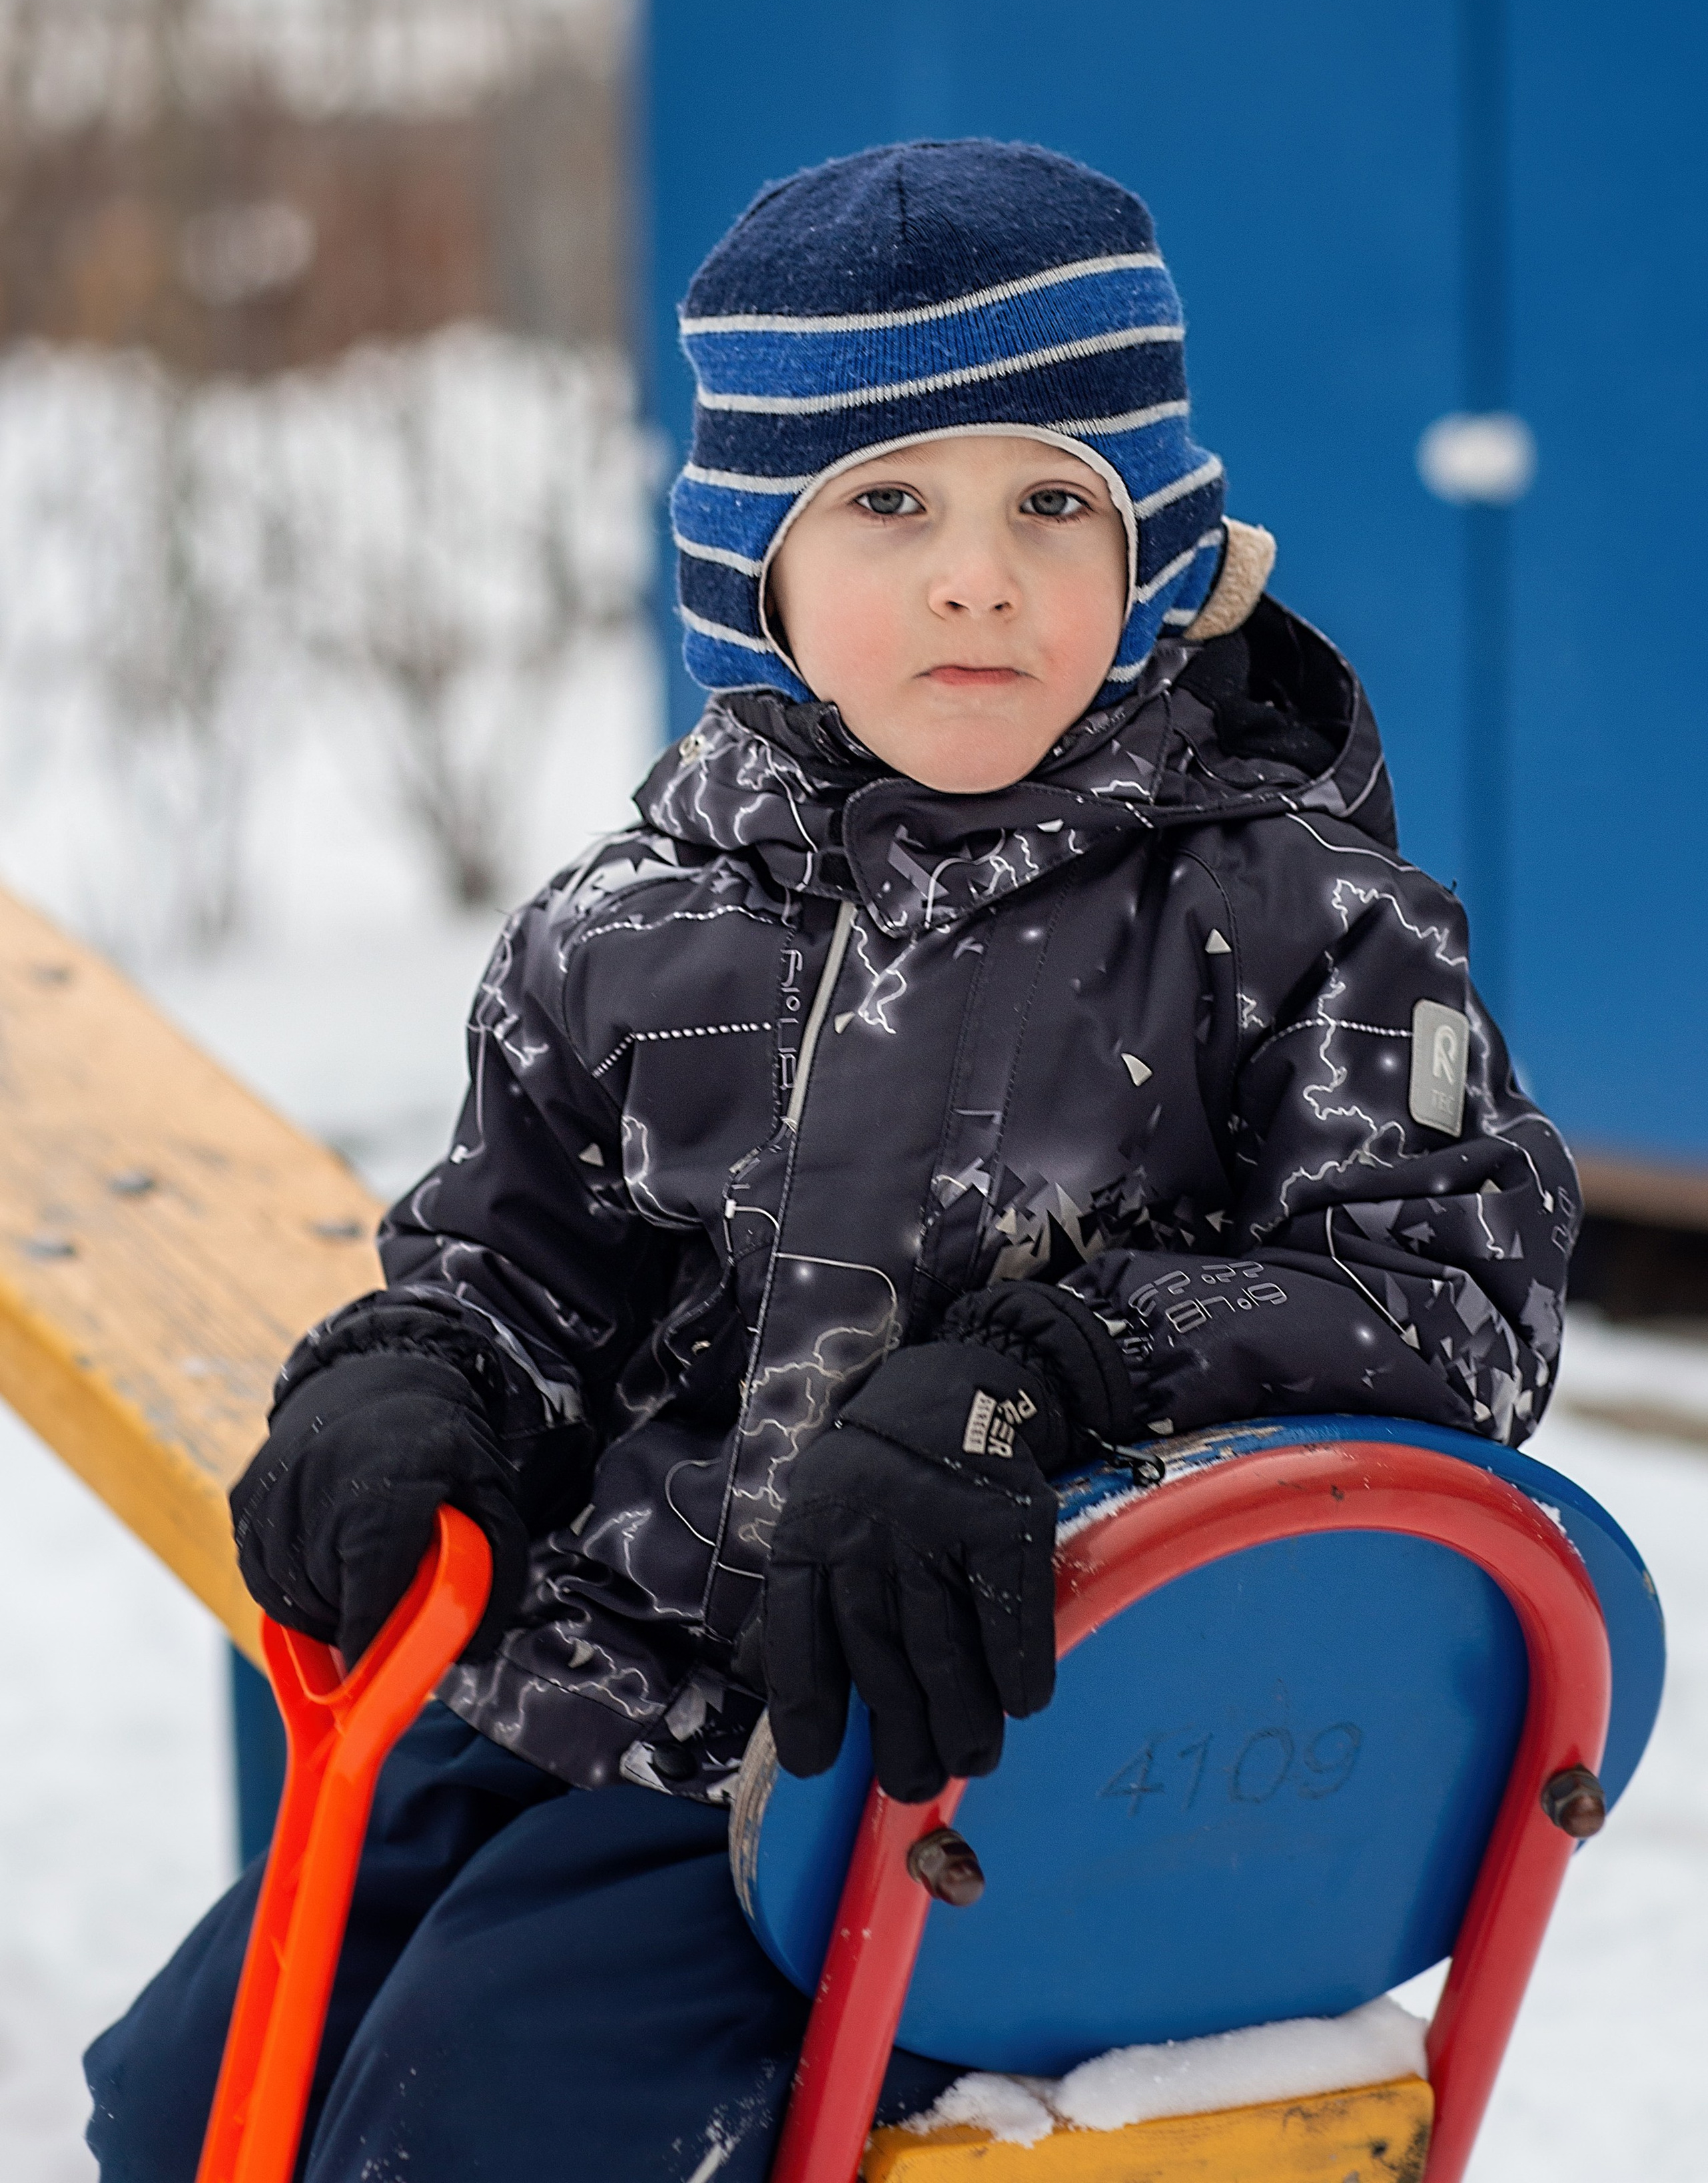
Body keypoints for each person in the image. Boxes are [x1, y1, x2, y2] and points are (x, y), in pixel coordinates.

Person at [86, 140, 1577, 2181]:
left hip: (988, 1763)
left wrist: (1052, 1373)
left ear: (1156, 549)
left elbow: (1450, 1300)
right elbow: (519, 1260)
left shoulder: (1294, 921)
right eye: (887, 504)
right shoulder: (636, 925)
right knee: (187, 2086)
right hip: (607, 1694)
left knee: (475, 2107)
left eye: (1053, 502)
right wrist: (422, 1372)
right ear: (753, 566)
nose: (977, 575)